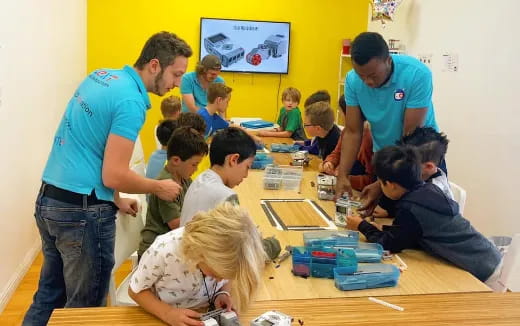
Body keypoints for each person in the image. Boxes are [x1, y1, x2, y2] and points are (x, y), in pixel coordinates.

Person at [23, 31, 192, 326]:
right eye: (176, 74)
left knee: (49, 297)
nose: (177, 84)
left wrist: (115, 199)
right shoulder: (131, 103)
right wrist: (157, 187)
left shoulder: (101, 77)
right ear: (155, 65)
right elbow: (113, 173)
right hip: (81, 214)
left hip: (51, 200)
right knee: (86, 311)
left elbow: (93, 147)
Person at [346, 145, 501, 284]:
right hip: (488, 256)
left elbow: (390, 244)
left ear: (392, 186)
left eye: (381, 183)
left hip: (482, 272)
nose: (380, 187)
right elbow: (414, 233)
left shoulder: (411, 208)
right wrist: (385, 229)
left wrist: (361, 225)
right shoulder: (427, 190)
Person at [335, 31, 440, 212]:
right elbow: (353, 131)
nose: (367, 81)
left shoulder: (417, 74)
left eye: (373, 75)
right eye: (362, 76)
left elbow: (410, 136)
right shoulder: (353, 80)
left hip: (418, 157)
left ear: (388, 61)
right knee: (377, 219)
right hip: (385, 159)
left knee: (414, 223)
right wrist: (343, 175)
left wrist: (381, 183)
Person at [129, 203, 266, 326]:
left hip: (204, 311)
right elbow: (135, 290)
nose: (219, 279)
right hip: (165, 314)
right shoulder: (163, 251)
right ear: (200, 253)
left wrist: (223, 291)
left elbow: (225, 277)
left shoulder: (225, 254)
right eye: (215, 274)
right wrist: (168, 314)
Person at [180, 128, 281, 260]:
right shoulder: (226, 196)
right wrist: (271, 246)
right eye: (247, 167)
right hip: (203, 268)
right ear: (233, 159)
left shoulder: (200, 179)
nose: (246, 175)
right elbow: (243, 253)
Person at [139, 127, 208, 258]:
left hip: (170, 245)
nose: (196, 169)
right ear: (176, 160)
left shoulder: (184, 178)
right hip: (154, 252)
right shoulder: (166, 186)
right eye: (194, 164)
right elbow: (177, 225)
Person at [374, 127, 454, 218]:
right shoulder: (418, 179)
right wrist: (391, 212)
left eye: (410, 162)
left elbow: (418, 217)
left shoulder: (435, 192)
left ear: (428, 167)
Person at [319, 95, 374, 191]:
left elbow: (372, 180)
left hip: (358, 192)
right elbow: (337, 153)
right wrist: (329, 163)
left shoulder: (369, 140)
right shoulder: (346, 131)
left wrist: (346, 179)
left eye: (340, 112)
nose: (340, 116)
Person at [296, 90, 332, 155]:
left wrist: (297, 146)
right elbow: (313, 142)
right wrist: (301, 143)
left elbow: (314, 149)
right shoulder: (320, 127)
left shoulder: (324, 129)